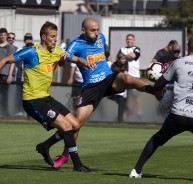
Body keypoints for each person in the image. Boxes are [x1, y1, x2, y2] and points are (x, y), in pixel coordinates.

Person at [0, 21, 95, 172]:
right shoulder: (32, 52)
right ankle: (77, 165)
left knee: (76, 125)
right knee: (67, 126)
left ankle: (45, 146)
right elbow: (5, 60)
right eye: (52, 36)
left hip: (46, 98)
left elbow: (75, 59)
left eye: (56, 36)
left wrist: (86, 63)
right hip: (33, 101)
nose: (55, 39)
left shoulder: (57, 51)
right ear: (44, 37)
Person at [50, 17, 159, 169]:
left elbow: (105, 49)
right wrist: (64, 59)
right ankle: (65, 155)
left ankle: (154, 90)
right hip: (91, 87)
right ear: (83, 30)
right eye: (92, 30)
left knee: (126, 77)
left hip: (108, 79)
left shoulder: (101, 38)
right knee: (76, 124)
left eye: (97, 30)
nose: (96, 33)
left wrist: (111, 60)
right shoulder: (75, 44)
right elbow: (64, 60)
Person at [129, 35, 193, 182]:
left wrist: (153, 84)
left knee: (157, 139)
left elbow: (159, 85)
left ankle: (136, 170)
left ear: (187, 48)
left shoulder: (178, 63)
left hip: (178, 115)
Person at [152, 40, 181, 116]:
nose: (177, 53)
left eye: (178, 51)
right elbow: (154, 67)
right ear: (171, 50)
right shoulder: (164, 58)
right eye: (175, 51)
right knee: (163, 108)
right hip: (166, 86)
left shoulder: (181, 61)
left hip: (176, 87)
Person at [119, 34, 143, 117]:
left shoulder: (136, 49)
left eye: (131, 39)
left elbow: (133, 55)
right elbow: (119, 59)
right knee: (124, 96)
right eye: (128, 39)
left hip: (135, 76)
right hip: (125, 76)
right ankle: (124, 113)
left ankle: (139, 112)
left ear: (133, 40)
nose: (129, 41)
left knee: (136, 95)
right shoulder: (122, 49)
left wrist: (124, 56)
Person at [14, 33, 34, 117]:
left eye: (29, 38)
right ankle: (20, 110)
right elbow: (16, 62)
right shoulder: (20, 49)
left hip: (32, 78)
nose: (28, 40)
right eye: (26, 38)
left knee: (31, 96)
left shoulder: (35, 49)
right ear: (24, 40)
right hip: (21, 77)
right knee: (19, 95)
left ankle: (30, 113)